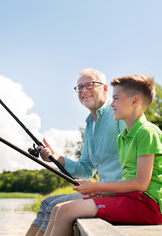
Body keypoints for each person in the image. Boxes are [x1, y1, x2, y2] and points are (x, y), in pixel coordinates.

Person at [43, 74, 162, 236]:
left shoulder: (147, 132)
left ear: (135, 101)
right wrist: (103, 192)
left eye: (116, 98)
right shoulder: (123, 137)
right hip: (130, 199)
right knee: (57, 208)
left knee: (66, 210)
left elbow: (141, 184)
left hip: (147, 206)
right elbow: (128, 179)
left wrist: (96, 186)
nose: (111, 104)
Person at [25, 68, 125, 236]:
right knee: (46, 203)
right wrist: (57, 158)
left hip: (116, 194)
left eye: (90, 85)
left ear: (105, 89)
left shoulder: (118, 115)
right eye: (79, 88)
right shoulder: (89, 126)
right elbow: (86, 170)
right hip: (101, 192)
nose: (83, 91)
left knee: (53, 206)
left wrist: (105, 189)